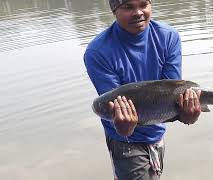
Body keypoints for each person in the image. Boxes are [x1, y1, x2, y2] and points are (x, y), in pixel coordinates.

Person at [84, 0, 201, 179]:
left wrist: (186, 115)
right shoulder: (98, 51)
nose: (138, 12)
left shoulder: (168, 37)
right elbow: (113, 108)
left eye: (143, 4)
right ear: (114, 10)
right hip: (125, 141)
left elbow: (173, 91)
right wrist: (124, 130)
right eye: (128, 7)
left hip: (157, 130)